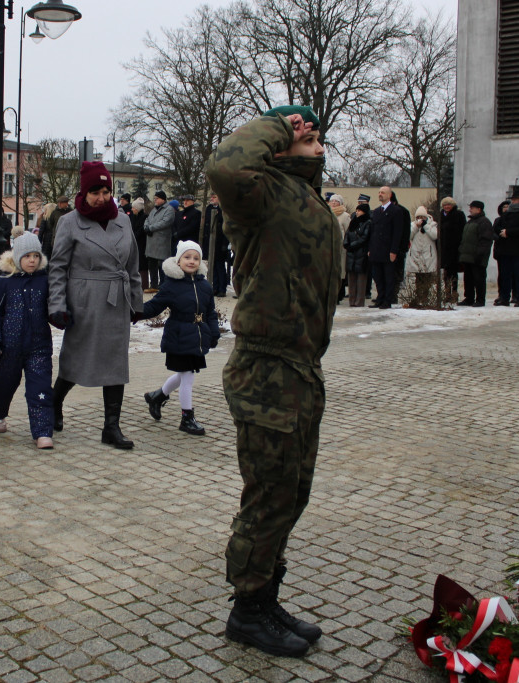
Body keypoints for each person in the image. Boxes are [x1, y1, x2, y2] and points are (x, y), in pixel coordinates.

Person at [207, 105, 339, 658]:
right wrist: (281, 125)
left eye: (316, 133)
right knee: (268, 495)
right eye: (304, 133)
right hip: (267, 368)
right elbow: (225, 165)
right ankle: (247, 610)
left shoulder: (306, 196)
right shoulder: (258, 194)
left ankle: (266, 597)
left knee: (291, 493)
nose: (316, 141)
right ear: (280, 142)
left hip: (300, 367)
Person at [48, 161, 143, 450]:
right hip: (84, 301)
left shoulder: (123, 220)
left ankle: (111, 427)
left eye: (106, 191)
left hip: (116, 300)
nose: (102, 198)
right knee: (76, 359)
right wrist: (57, 304)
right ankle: (54, 403)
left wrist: (136, 301)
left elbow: (132, 264)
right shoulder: (69, 222)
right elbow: (57, 267)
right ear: (84, 193)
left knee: (115, 362)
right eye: (95, 192)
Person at [139, 240, 220, 435]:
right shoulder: (171, 285)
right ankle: (187, 418)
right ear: (178, 261)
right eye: (187, 257)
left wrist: (214, 332)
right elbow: (154, 306)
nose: (191, 261)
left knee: (184, 374)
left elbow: (210, 312)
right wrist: (132, 311)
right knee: (187, 377)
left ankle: (157, 396)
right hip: (179, 336)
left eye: (196, 258)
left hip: (197, 336)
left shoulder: (205, 286)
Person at [0, 231, 55, 450]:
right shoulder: (4, 283)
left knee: (40, 387)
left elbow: (55, 306)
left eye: (36, 256)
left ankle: (42, 431)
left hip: (39, 346)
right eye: (27, 256)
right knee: (3, 383)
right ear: (17, 258)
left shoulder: (44, 281)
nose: (32, 260)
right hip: (9, 347)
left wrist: (64, 316)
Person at [368, 185, 404, 309]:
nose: (380, 194)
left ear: (389, 195)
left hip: (388, 250)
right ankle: (380, 298)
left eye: (383, 192)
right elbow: (373, 231)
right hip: (376, 249)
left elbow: (397, 232)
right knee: (378, 277)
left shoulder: (396, 211)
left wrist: (394, 250)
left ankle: (387, 300)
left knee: (388, 277)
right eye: (379, 192)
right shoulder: (376, 211)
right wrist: (370, 249)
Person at [494, 190, 519, 306]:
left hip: (518, 249)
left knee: (518, 275)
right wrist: (503, 232)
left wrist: (508, 232)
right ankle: (504, 298)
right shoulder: (507, 214)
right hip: (505, 249)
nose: (513, 202)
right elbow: (497, 226)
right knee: (505, 275)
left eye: (515, 200)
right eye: (513, 200)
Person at [457, 200, 493, 307]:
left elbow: (485, 241)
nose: (470, 210)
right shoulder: (470, 222)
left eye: (472, 208)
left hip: (477, 257)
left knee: (479, 279)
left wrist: (480, 255)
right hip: (467, 257)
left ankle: (480, 300)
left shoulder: (484, 222)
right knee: (468, 279)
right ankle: (469, 298)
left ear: (479, 209)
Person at [142, 190, 174, 291]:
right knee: (152, 264)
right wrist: (146, 227)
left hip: (162, 241)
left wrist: (150, 228)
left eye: (157, 198)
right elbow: (147, 219)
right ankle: (154, 285)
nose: (155, 200)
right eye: (154, 198)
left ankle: (163, 285)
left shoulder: (169, 210)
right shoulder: (154, 210)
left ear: (163, 199)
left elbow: (165, 222)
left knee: (162, 265)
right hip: (151, 242)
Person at [407, 206, 438, 305]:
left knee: (427, 278)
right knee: (418, 278)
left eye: (422, 217)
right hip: (416, 255)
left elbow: (435, 235)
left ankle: (426, 297)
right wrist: (416, 226)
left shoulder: (432, 225)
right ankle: (418, 297)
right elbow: (408, 236)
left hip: (428, 255)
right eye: (418, 217)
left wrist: (426, 226)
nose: (420, 219)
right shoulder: (413, 225)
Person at [343, 203, 372, 307]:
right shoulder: (353, 222)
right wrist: (346, 244)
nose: (357, 212)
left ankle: (359, 301)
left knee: (361, 279)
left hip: (361, 253)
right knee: (351, 278)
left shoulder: (368, 223)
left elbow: (364, 237)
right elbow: (347, 234)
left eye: (359, 210)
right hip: (351, 253)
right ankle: (352, 300)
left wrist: (353, 245)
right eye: (356, 210)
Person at [437, 197, 466, 298]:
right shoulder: (441, 215)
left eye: (449, 205)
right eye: (445, 205)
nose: (447, 207)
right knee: (446, 273)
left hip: (455, 248)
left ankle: (454, 293)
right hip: (444, 248)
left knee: (453, 272)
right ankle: (446, 293)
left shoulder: (458, 214)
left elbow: (462, 230)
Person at [202, 194, 230, 297]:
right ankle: (215, 287)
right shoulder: (209, 209)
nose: (212, 199)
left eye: (214, 197)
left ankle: (222, 288)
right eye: (211, 197)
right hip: (210, 242)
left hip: (220, 242)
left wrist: (225, 243)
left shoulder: (224, 209)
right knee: (212, 266)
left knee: (220, 266)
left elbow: (226, 227)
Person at [328, 195, 350, 303]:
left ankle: (339, 294)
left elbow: (348, 231)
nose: (333, 203)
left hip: (340, 248)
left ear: (340, 203)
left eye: (336, 201)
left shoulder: (345, 216)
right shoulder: (327, 213)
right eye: (331, 201)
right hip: (328, 248)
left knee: (340, 271)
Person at [129, 197, 149, 290]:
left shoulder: (144, 217)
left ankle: (144, 284)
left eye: (134, 207)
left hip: (142, 243)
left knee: (142, 264)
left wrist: (134, 236)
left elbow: (141, 230)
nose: (132, 209)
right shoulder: (133, 217)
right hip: (134, 242)